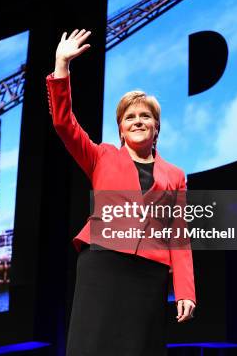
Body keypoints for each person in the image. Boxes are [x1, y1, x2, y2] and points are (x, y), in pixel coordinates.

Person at [46, 29, 196, 355]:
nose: (138, 121)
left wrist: (185, 291)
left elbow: (179, 237)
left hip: (149, 276)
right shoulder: (101, 156)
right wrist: (62, 66)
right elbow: (63, 124)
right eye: (130, 117)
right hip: (102, 266)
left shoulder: (175, 175)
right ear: (121, 129)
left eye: (145, 116)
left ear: (157, 127)